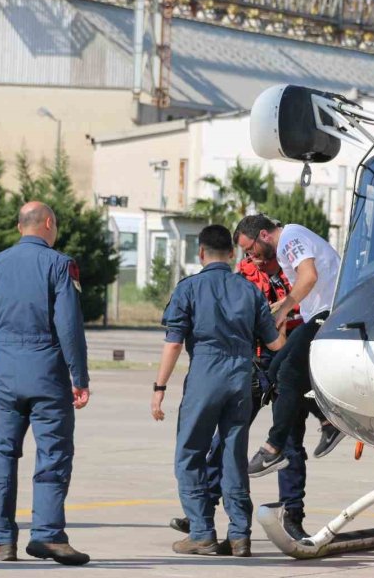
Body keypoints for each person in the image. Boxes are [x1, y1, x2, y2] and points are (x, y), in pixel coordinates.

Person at [0, 201, 91, 565]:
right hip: (47, 374)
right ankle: (47, 535)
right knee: (53, 452)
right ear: (48, 223)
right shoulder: (60, 265)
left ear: (20, 227)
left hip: (5, 374)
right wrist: (79, 377)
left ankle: (2, 541)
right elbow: (69, 325)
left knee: (0, 453)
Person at [152, 225, 285, 557]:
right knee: (233, 456)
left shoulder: (188, 289)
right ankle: (239, 535)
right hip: (240, 378)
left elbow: (173, 344)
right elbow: (276, 344)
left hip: (205, 375)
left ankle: (201, 533)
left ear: (200, 253)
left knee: (190, 453)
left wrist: (159, 387)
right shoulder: (250, 291)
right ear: (232, 253)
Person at [169, 252, 318, 544]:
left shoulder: (298, 278)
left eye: (258, 254)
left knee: (289, 444)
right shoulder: (243, 280)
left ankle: (293, 517)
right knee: (226, 443)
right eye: (249, 254)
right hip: (251, 368)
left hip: (290, 366)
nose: (255, 259)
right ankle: (204, 508)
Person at [233, 214, 345, 538]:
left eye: (251, 249)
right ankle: (327, 422)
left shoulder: (290, 239)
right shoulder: (280, 250)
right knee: (276, 371)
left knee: (285, 375)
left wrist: (284, 308)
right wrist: (285, 304)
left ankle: (274, 448)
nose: (251, 257)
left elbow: (309, 276)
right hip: (316, 318)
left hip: (328, 315)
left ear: (263, 235)